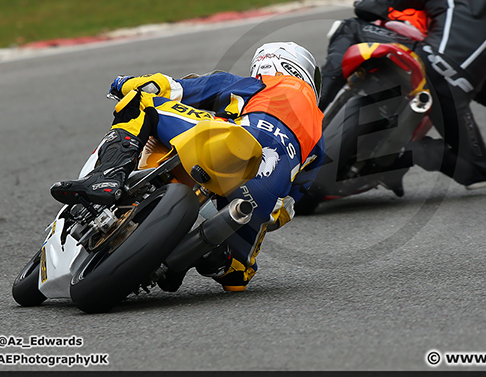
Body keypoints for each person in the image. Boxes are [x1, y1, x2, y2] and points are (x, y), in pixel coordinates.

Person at [50, 42, 325, 292]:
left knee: (142, 104)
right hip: (261, 200)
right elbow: (289, 205)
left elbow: (163, 86)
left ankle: (107, 177)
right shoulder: (318, 136)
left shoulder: (254, 85)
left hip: (232, 149)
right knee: (238, 277)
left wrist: (122, 83)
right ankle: (212, 257)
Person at [319, 0, 486, 193]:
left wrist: (376, 6)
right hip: (452, 97)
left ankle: (315, 107)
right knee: (479, 171)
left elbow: (371, 7)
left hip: (423, 60)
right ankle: (411, 153)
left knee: (349, 26)